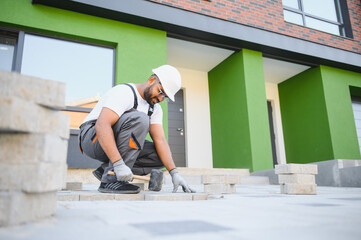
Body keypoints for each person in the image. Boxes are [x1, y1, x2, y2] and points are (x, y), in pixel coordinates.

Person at [78, 65, 195, 194]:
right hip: (92, 138)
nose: (160, 99)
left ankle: (107, 170)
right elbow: (102, 125)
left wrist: (174, 173)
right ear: (151, 81)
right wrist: (118, 163)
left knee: (159, 155)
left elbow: (160, 140)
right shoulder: (125, 92)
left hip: (114, 141)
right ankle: (111, 180)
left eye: (165, 97)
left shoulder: (155, 109)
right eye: (160, 92)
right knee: (140, 119)